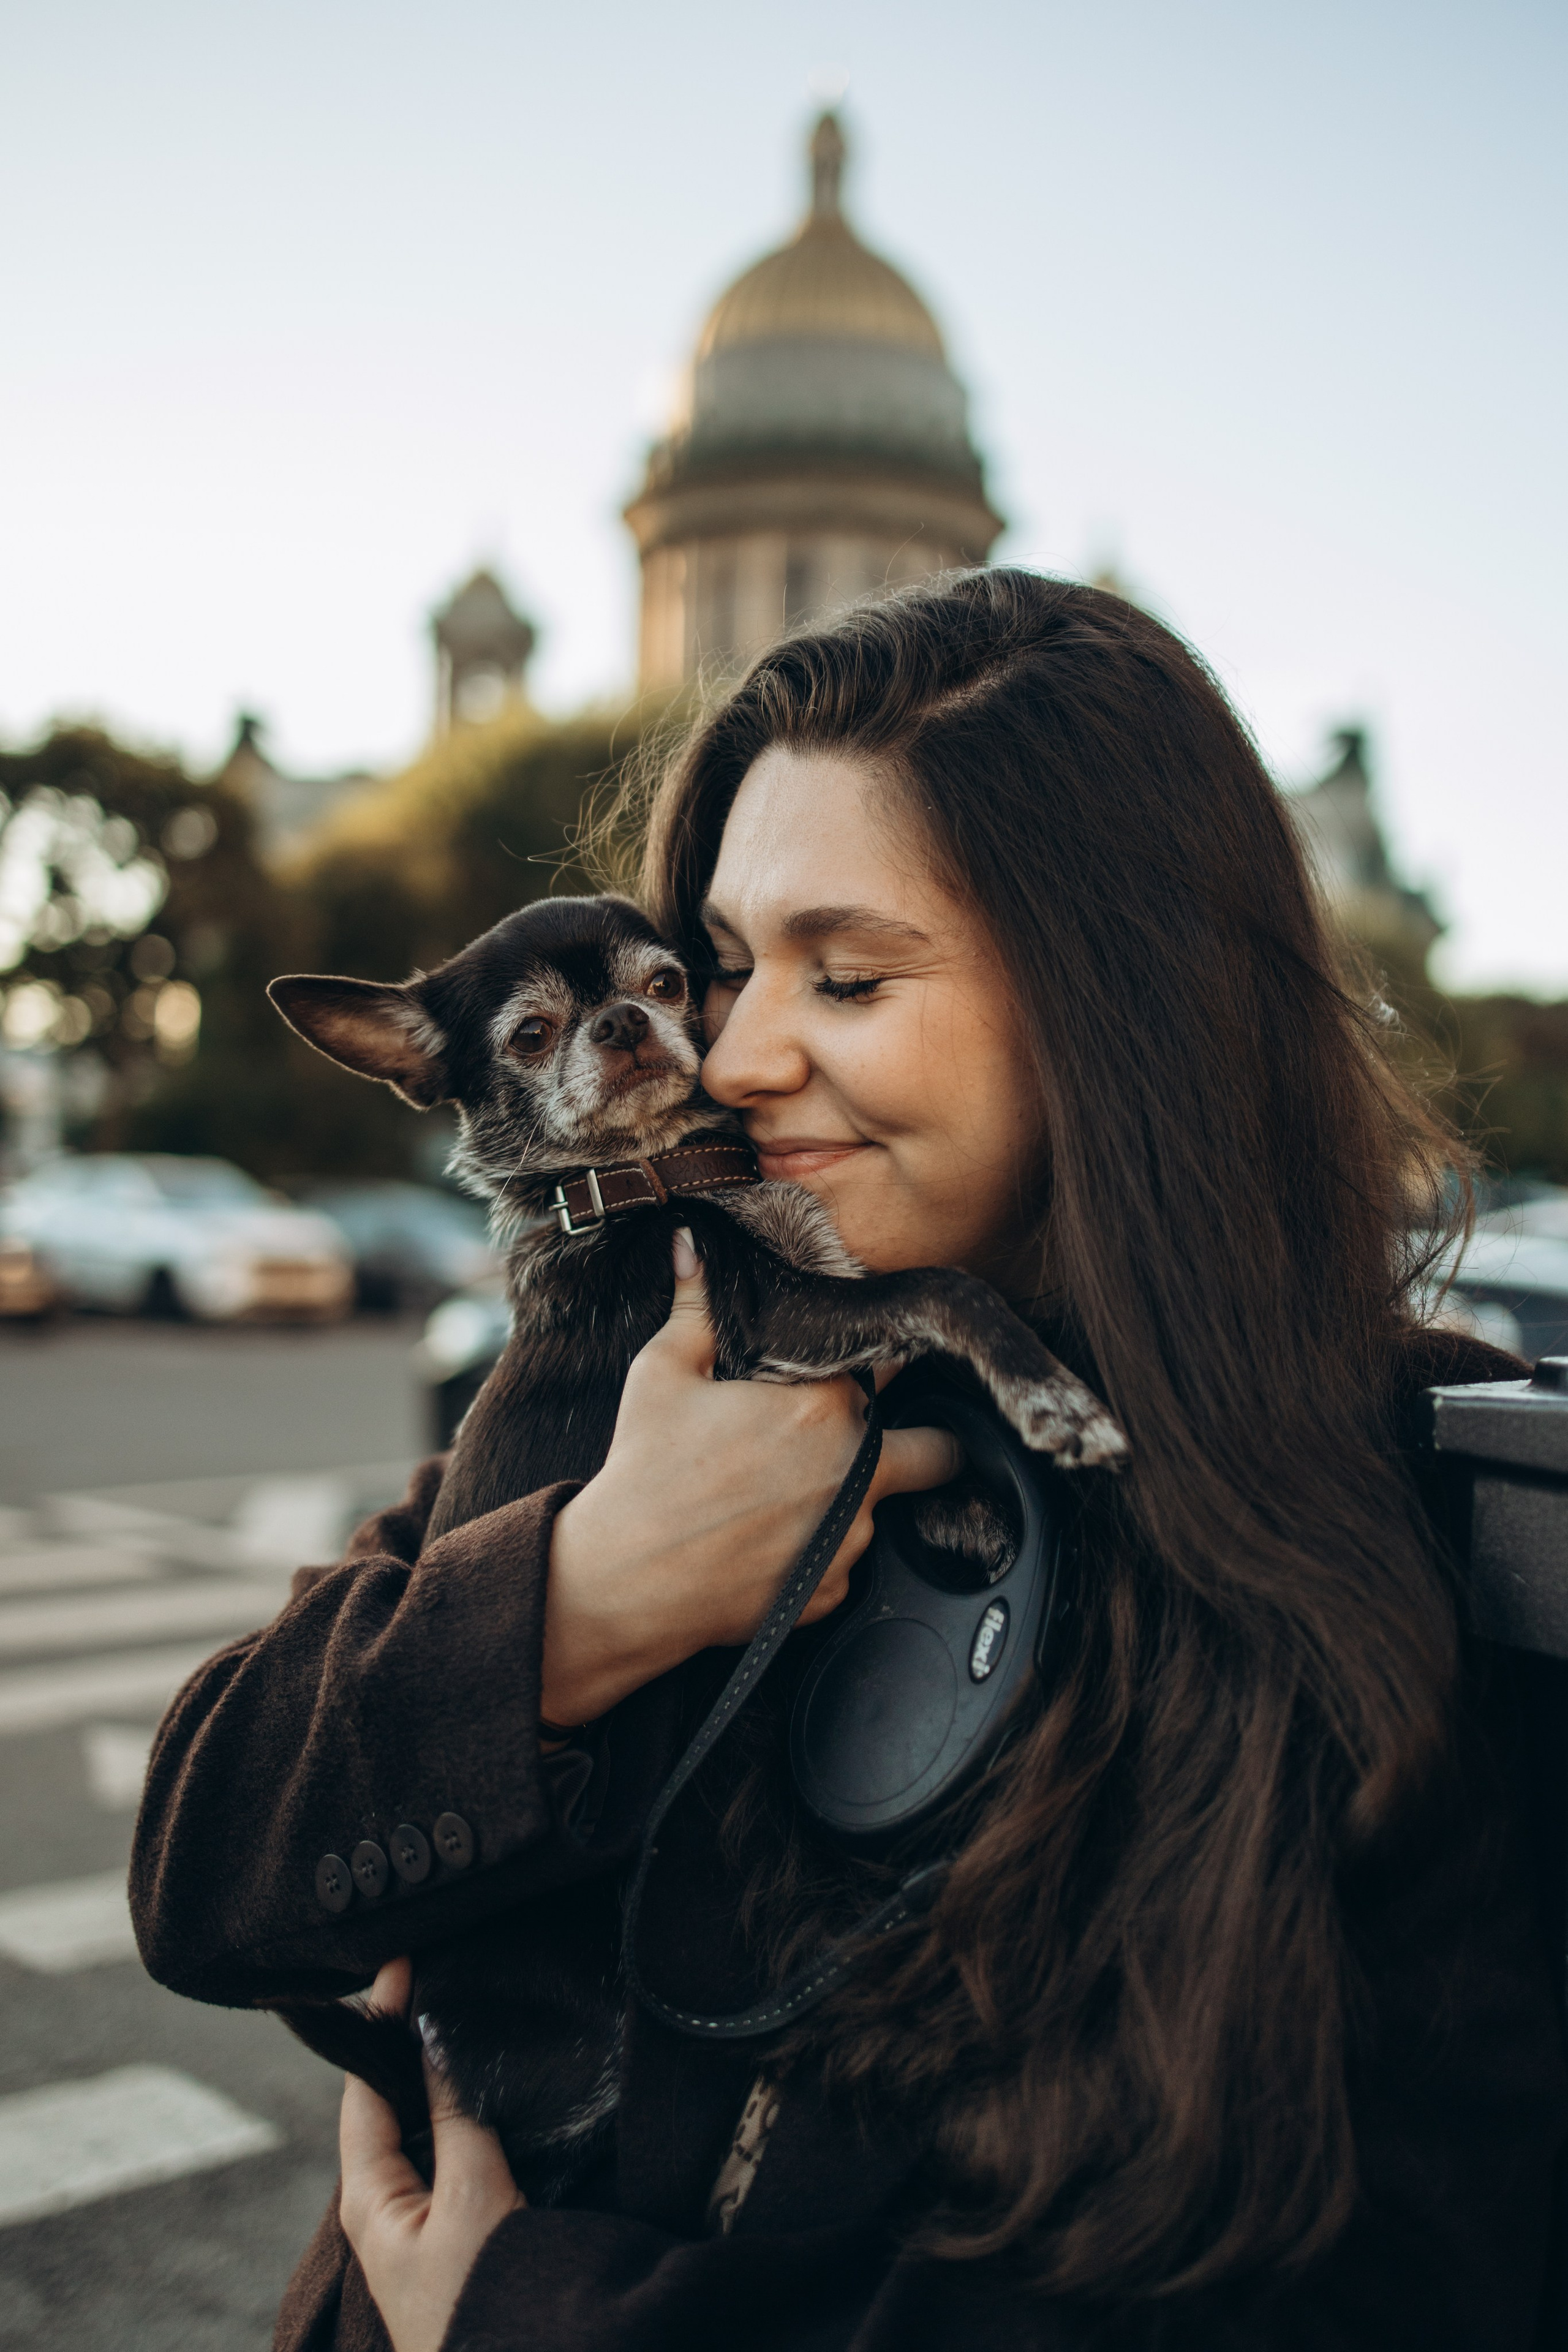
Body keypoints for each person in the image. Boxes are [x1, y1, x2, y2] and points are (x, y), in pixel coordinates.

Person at [132, 571, 1565, 2352]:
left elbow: (1401, 2289)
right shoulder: (649, 1372)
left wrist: (535, 2318)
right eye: (720, 966)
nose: (729, 1050)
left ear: (1126, 1007)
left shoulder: (1446, 1523)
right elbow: (206, 1876)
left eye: (851, 975)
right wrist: (580, 1603)